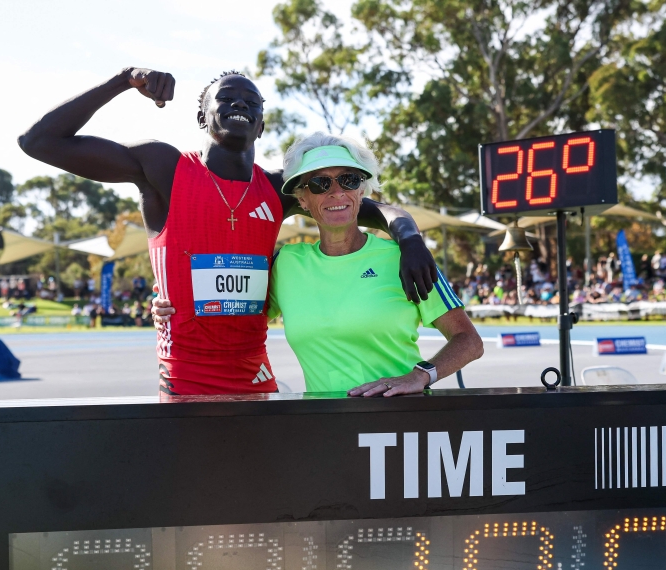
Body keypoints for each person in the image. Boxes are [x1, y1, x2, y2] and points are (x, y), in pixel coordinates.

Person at [19, 67, 436, 397]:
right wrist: (123, 81)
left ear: (261, 125)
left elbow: (361, 204)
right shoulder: (163, 168)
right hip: (186, 378)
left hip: (255, 376)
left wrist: (409, 237)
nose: (239, 103)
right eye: (226, 98)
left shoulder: (275, 188)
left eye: (251, 101)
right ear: (203, 116)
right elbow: (38, 141)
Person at [155, 133, 482, 395]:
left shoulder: (405, 259)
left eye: (349, 180)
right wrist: (171, 305)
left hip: (402, 426)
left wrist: (420, 376)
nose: (336, 192)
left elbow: (469, 340)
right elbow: (233, 307)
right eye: (319, 184)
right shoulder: (287, 264)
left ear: (362, 191)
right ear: (302, 200)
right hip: (326, 431)